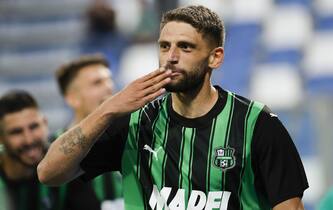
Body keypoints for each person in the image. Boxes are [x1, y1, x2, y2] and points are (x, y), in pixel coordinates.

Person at [38, 5, 309, 210]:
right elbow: (49, 173)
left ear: (215, 58)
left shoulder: (256, 124)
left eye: (186, 47)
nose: (171, 57)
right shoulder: (134, 123)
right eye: (165, 46)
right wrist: (108, 109)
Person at [0, 90, 100, 210]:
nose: (29, 140)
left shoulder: (66, 165)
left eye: (34, 127)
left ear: (45, 124)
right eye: (16, 132)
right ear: (1, 138)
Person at [53, 54, 123, 209]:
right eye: (97, 83)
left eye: (109, 80)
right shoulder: (53, 151)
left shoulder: (126, 137)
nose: (109, 87)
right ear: (72, 98)